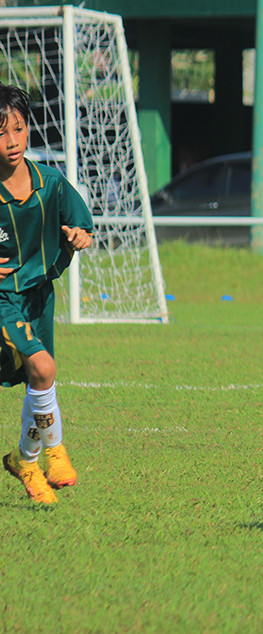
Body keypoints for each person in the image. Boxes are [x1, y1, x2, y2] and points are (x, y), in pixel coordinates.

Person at [0, 83, 93, 504]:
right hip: (4, 298)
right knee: (43, 368)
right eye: (1, 132)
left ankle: (25, 461)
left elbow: (81, 225)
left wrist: (80, 235)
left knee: (39, 380)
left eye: (18, 129)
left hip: (39, 296)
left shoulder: (50, 182)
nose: (12, 141)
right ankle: (55, 452)